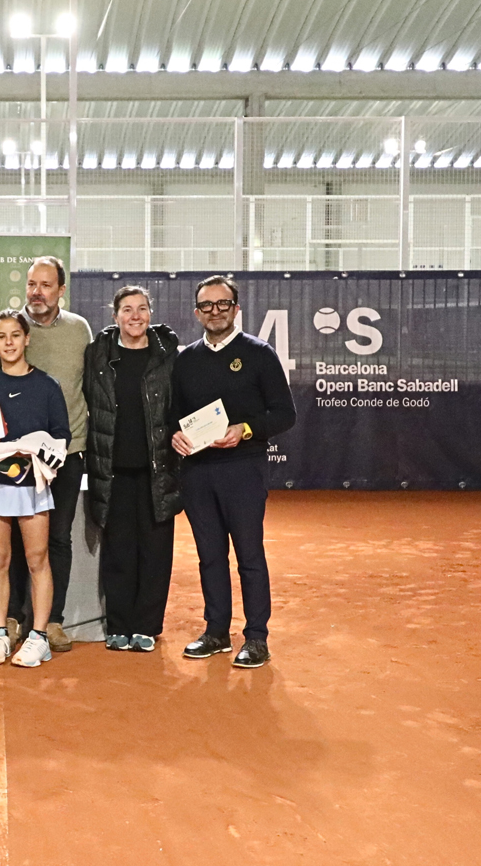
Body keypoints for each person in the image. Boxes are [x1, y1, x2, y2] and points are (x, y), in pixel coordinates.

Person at [171, 275, 296, 669]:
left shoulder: (259, 354)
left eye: (222, 304)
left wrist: (242, 430)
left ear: (236, 309)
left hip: (243, 469)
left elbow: (284, 414)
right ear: (197, 312)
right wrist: (174, 435)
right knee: (210, 556)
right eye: (207, 305)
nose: (215, 311)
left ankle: (256, 637)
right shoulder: (185, 359)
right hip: (197, 472)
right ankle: (216, 632)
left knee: (249, 555)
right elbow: (173, 414)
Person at [0, 255, 92, 652]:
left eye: (46, 285)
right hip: (9, 463)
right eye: (31, 284)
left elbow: (88, 386)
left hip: (67, 452)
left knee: (55, 539)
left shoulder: (80, 330)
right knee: (7, 540)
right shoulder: (8, 328)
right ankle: (9, 619)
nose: (37, 292)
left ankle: (51, 621)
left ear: (61, 290)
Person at [83, 286, 181, 653]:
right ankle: (119, 625)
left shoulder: (168, 356)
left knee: (155, 552)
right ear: (115, 316)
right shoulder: (98, 355)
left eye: (142, 309)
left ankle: (146, 626)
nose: (135, 316)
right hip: (112, 471)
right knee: (118, 551)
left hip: (158, 471)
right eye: (127, 309)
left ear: (150, 313)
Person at [0, 310, 71, 668]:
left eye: (16, 335)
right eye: (2, 336)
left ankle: (40, 636)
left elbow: (62, 435)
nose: (10, 342)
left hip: (34, 485)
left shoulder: (47, 386)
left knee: (37, 559)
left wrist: (41, 454)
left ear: (27, 339)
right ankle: (0, 633)